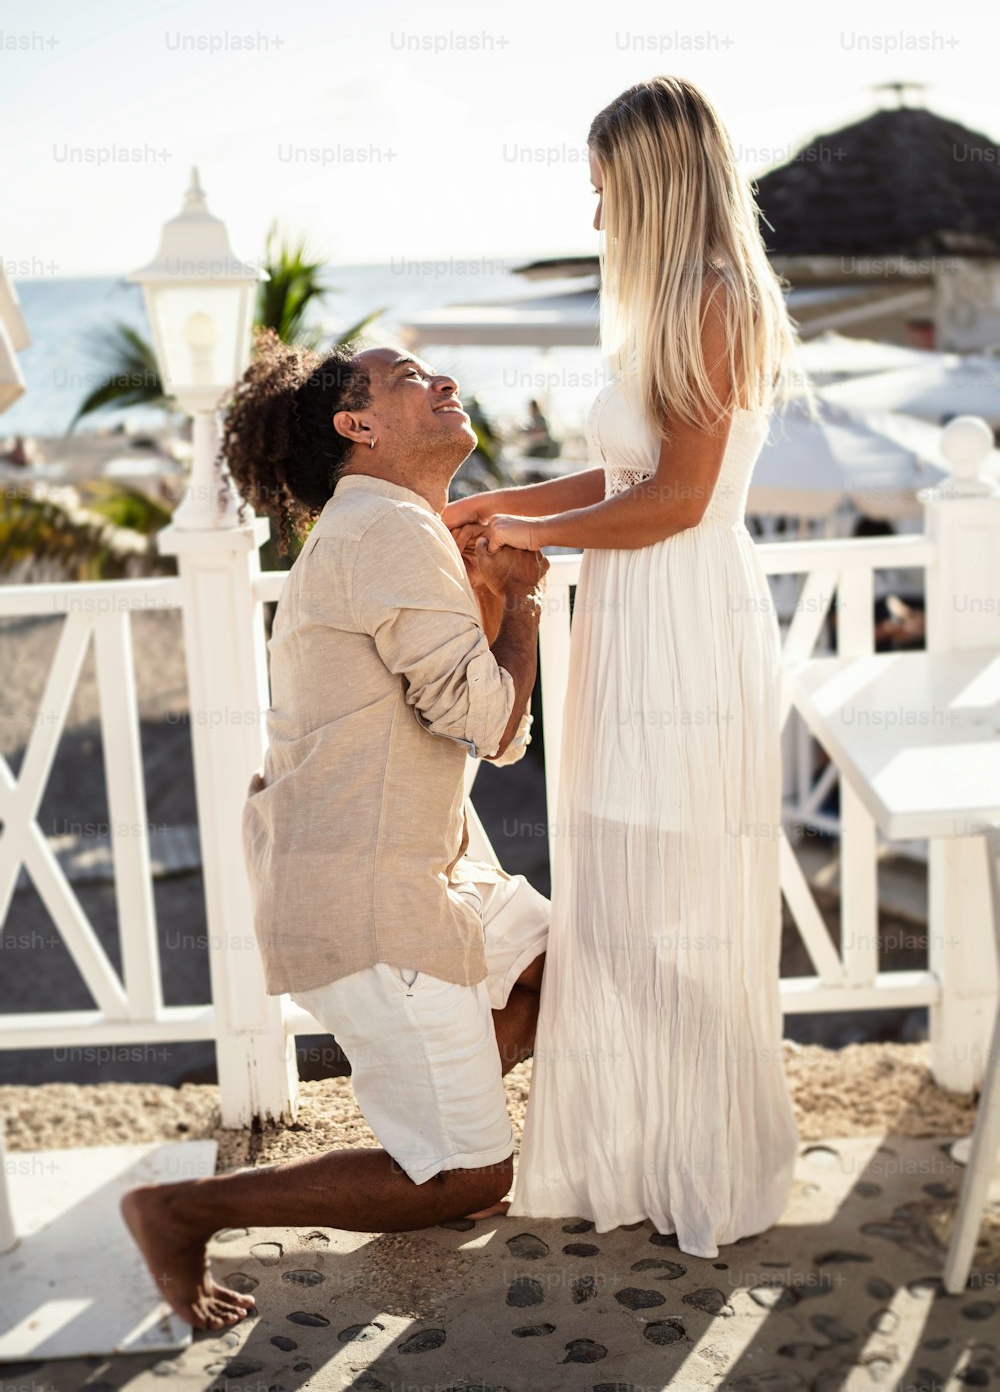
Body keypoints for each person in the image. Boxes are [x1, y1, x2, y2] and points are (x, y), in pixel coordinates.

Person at [121, 333, 550, 1329]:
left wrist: (491, 595)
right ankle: (181, 1209)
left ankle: (436, 1100)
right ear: (355, 424)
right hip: (373, 903)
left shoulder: (390, 524)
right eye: (409, 381)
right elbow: (491, 725)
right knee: (462, 1178)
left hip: (422, 878)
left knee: (564, 972)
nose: (445, 381)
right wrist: (519, 603)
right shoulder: (386, 532)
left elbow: (460, 703)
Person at [444, 76, 803, 1256]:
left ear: (652, 184)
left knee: (673, 913)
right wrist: (495, 503)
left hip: (684, 631)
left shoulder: (714, 297)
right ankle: (645, 1148)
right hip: (634, 622)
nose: (595, 222)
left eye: (605, 194)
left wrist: (533, 540)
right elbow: (614, 484)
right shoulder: (664, 309)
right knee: (624, 903)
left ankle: (711, 1159)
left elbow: (682, 499)